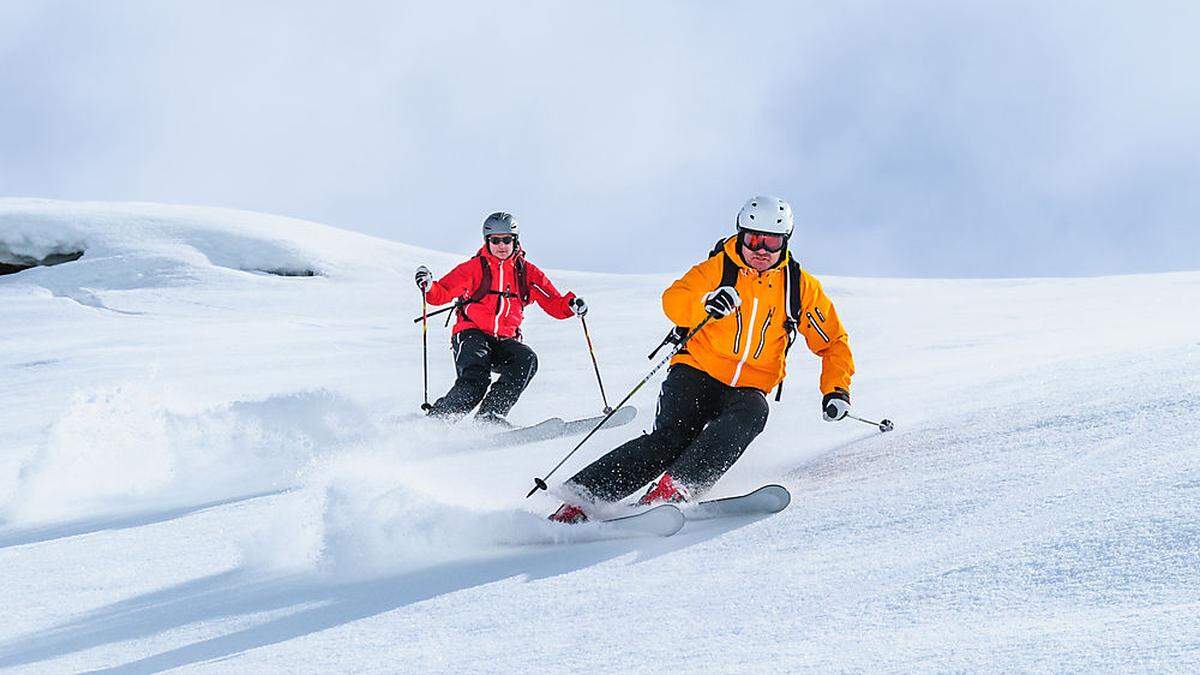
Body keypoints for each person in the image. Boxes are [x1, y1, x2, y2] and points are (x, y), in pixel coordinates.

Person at [549, 196, 855, 522]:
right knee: (671, 440)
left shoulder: (798, 286)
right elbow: (674, 300)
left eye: (771, 241)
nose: (761, 249)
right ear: (741, 234)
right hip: (696, 371)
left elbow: (833, 341)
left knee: (754, 412)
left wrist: (836, 390)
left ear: (785, 242)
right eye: (753, 239)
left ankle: (675, 488)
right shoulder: (718, 268)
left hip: (749, 387)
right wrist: (705, 303)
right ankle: (580, 500)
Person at [415, 212, 587, 426]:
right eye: (495, 240)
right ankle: (437, 422)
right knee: (476, 381)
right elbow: (441, 293)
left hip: (505, 339)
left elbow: (554, 303)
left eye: (507, 239)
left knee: (526, 360)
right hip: (471, 333)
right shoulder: (474, 268)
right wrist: (429, 285)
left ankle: (489, 417)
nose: (501, 245)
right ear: (487, 242)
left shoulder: (527, 273)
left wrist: (571, 305)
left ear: (515, 240)